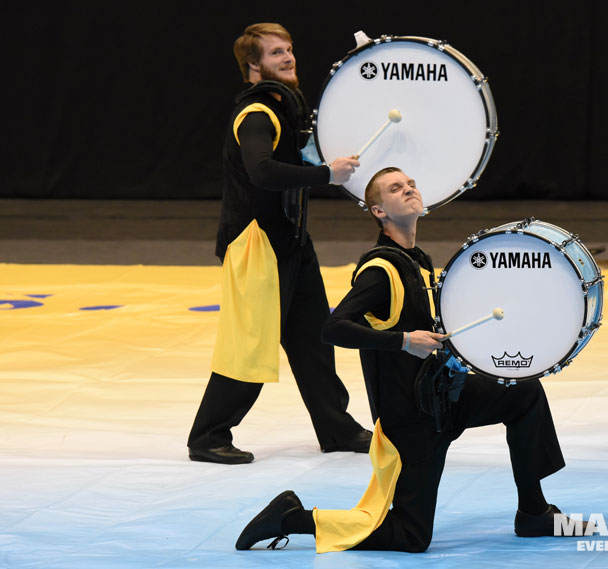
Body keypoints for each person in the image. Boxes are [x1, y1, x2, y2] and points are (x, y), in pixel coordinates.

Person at [233, 167, 587, 553]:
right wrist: (403, 341)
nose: (408, 190)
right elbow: (333, 328)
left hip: (441, 398)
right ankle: (292, 517)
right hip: (411, 420)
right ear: (378, 211)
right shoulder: (380, 270)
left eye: (411, 184)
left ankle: (534, 512)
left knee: (524, 393)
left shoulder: (416, 260)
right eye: (395, 188)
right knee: (411, 537)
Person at [187, 23, 371, 464]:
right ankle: (208, 436)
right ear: (254, 66)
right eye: (275, 53)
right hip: (257, 246)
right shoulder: (256, 114)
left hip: (290, 240)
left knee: (313, 339)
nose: (288, 57)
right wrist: (327, 174)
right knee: (250, 344)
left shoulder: (284, 108)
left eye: (288, 49)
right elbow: (263, 173)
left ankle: (336, 428)